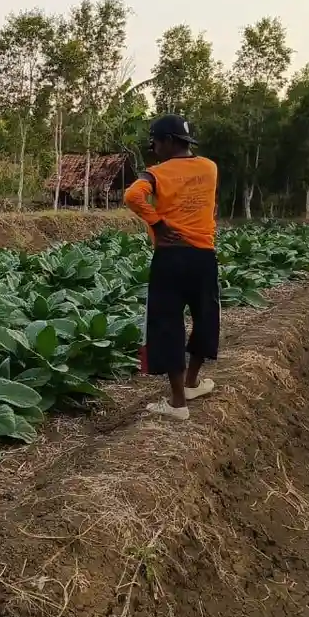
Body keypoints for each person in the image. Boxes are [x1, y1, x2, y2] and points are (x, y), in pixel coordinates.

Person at [123, 114, 220, 421]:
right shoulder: (210, 167)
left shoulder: (156, 174)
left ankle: (178, 403)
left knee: (168, 324)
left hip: (170, 257)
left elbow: (132, 195)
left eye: (155, 141)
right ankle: (192, 382)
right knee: (206, 317)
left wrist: (158, 223)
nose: (153, 148)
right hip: (203, 255)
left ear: (168, 141)